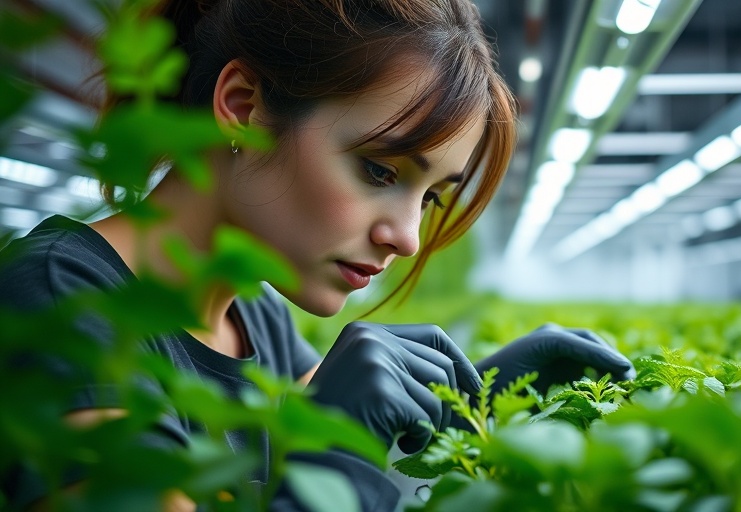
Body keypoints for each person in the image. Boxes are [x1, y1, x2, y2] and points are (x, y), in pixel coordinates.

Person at [0, 0, 635, 510]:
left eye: (431, 198)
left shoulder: (252, 317)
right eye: (379, 170)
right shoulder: (62, 305)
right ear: (244, 110)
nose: (407, 237)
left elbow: (311, 413)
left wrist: (473, 397)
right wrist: (345, 462)